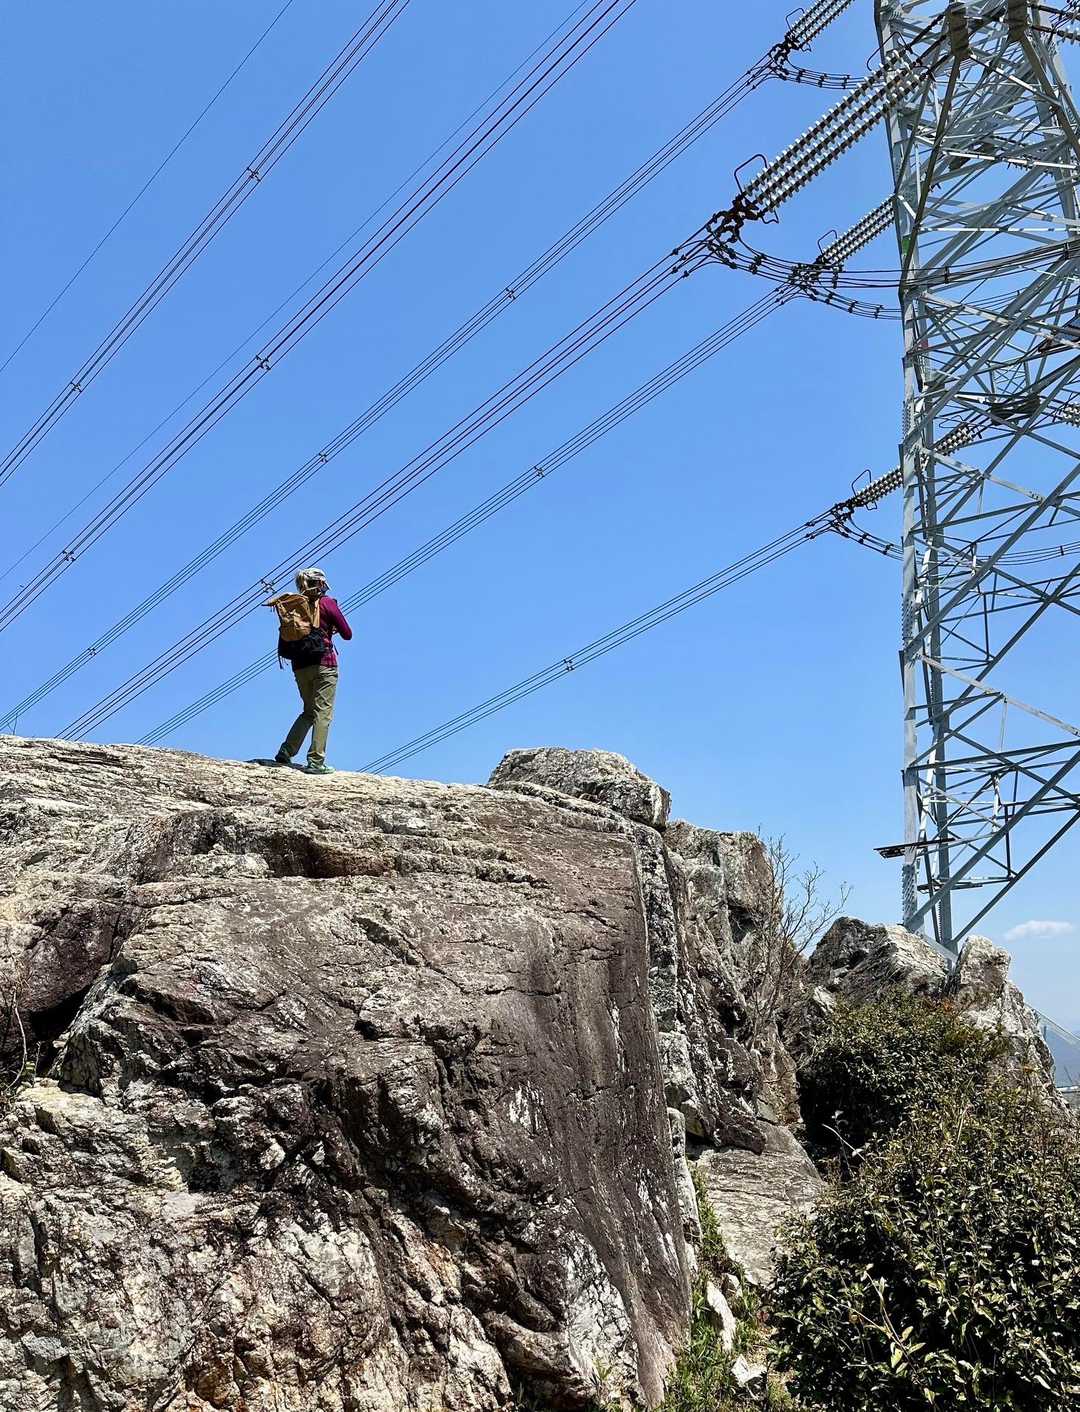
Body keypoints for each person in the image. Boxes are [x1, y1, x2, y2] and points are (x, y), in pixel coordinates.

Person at [274, 568, 352, 774]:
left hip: (299, 666)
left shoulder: (294, 605)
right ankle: (316, 761)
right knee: (322, 712)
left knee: (309, 711)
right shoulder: (327, 603)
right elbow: (347, 633)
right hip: (324, 663)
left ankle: (286, 750)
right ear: (321, 584)